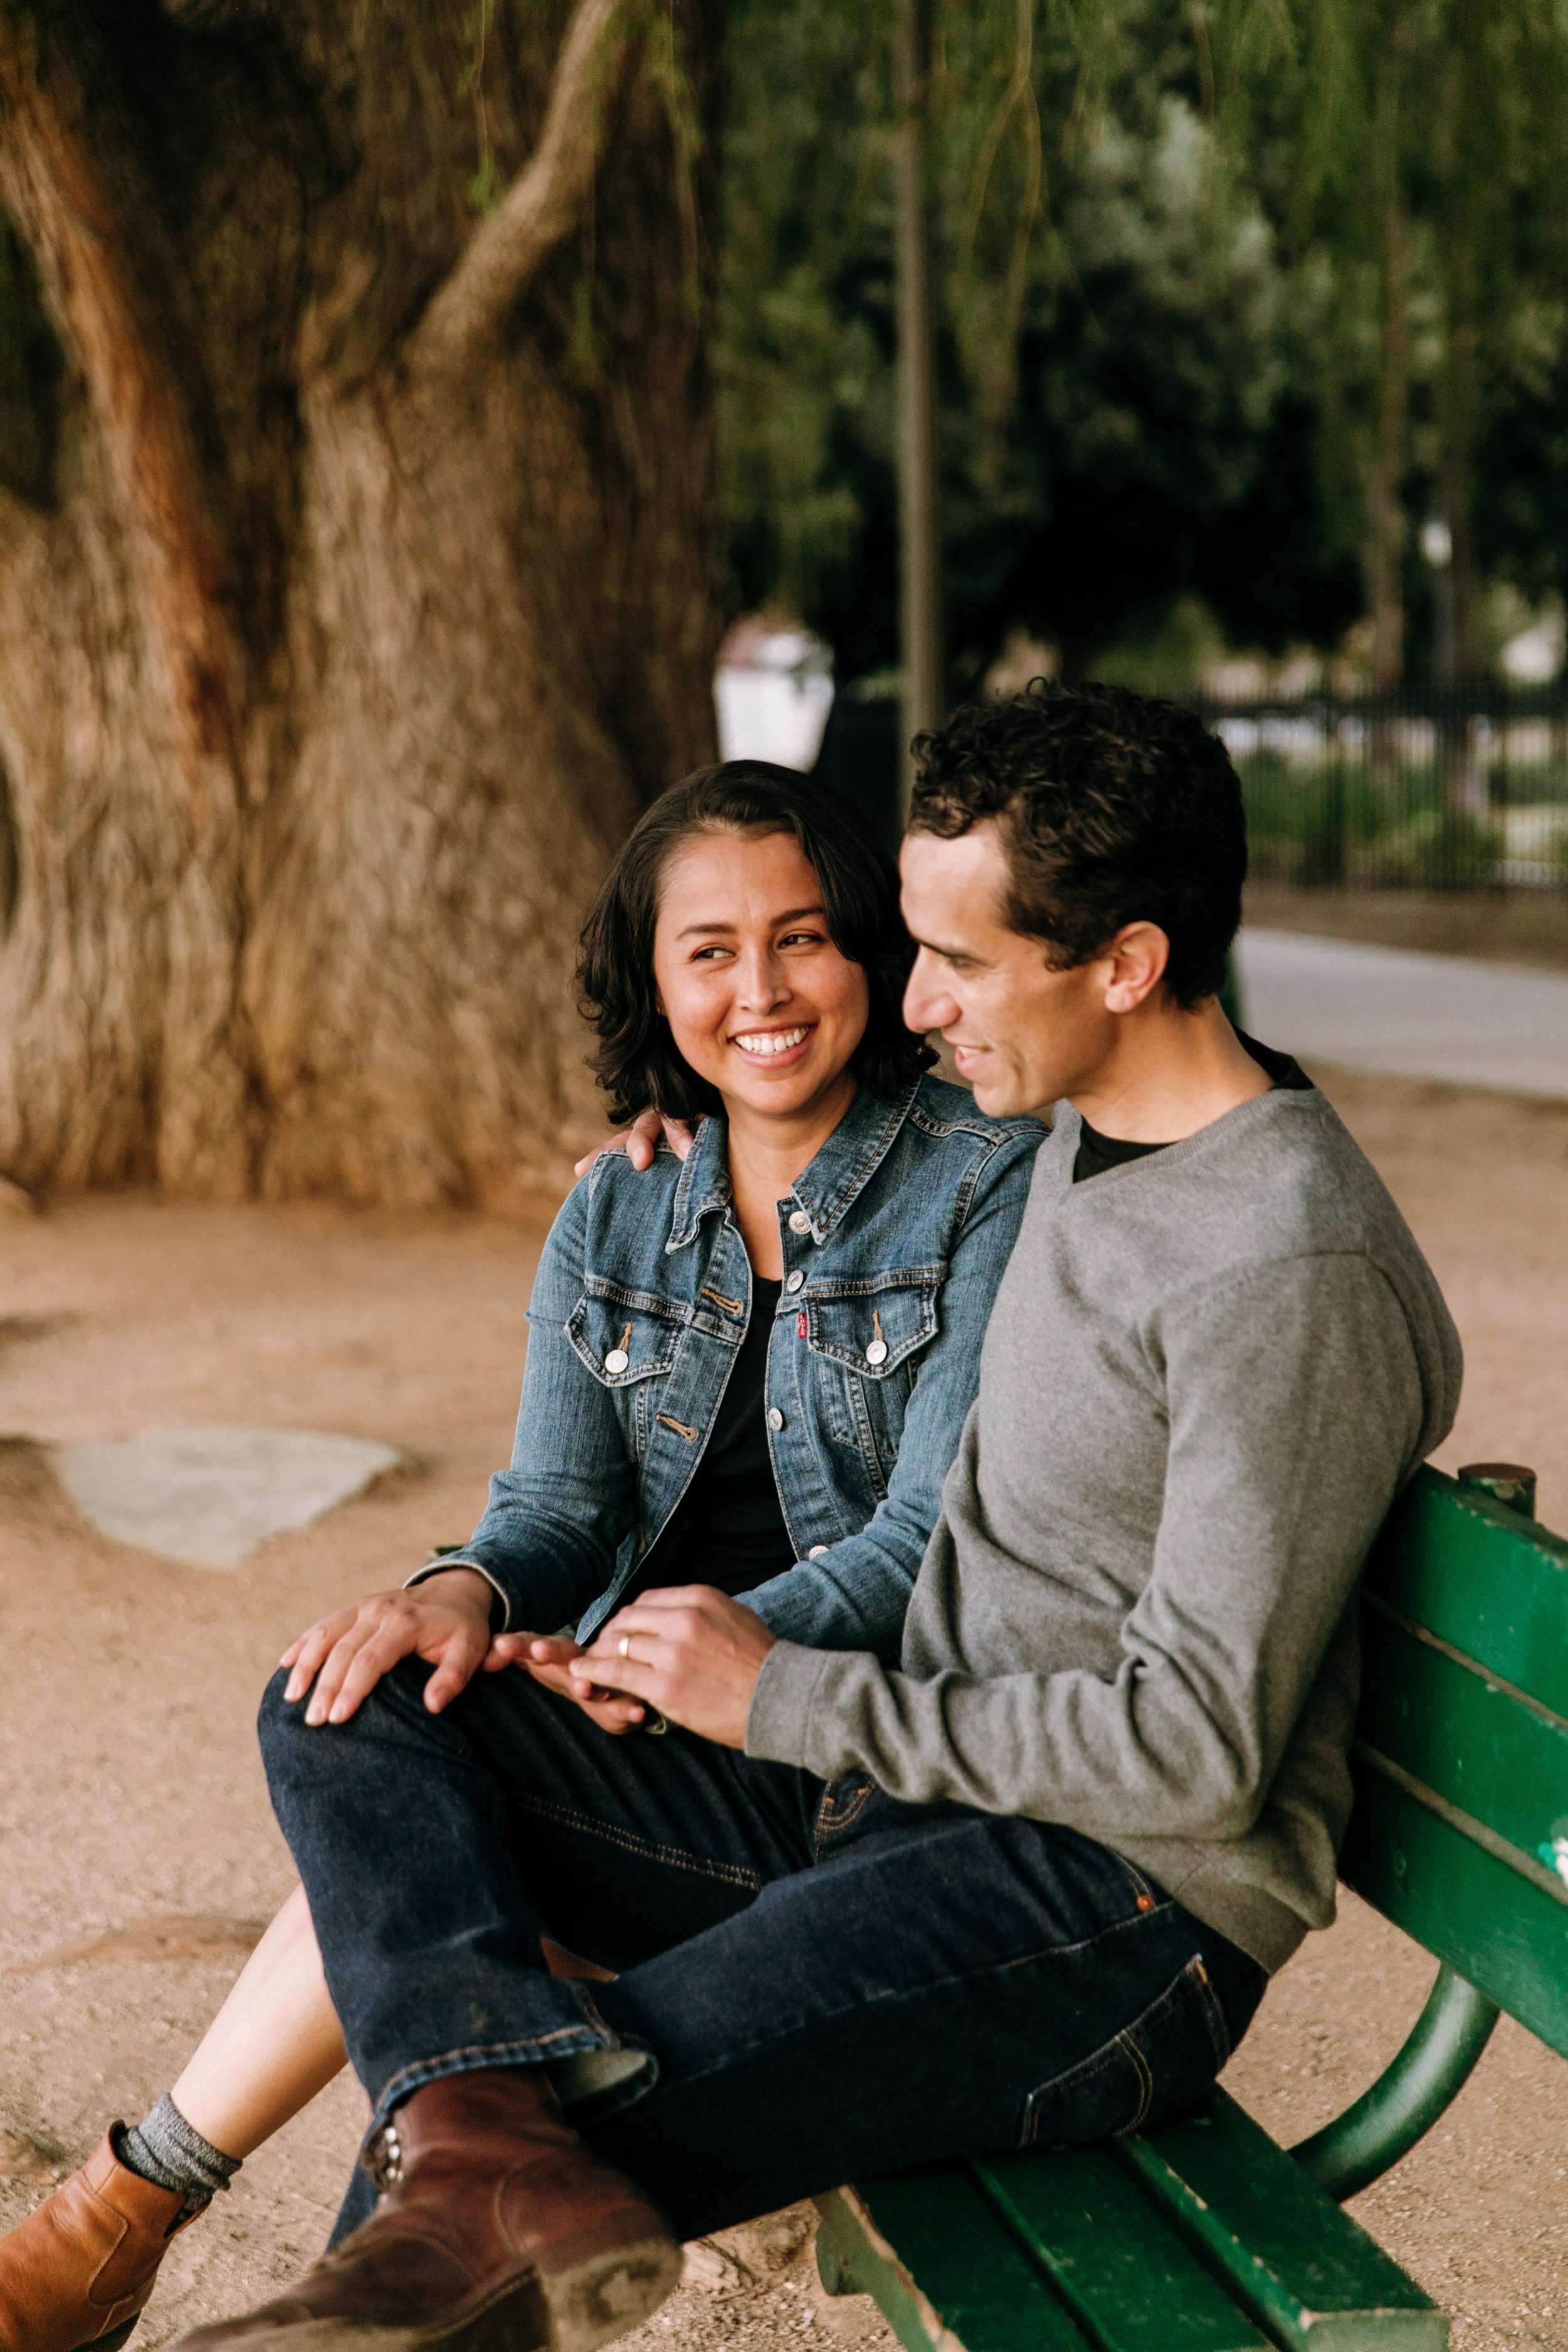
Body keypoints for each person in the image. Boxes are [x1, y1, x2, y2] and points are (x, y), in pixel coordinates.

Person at [156, 679, 1460, 2352]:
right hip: (908, 1799)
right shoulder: (1089, 1132)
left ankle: (462, 2151)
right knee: (360, 1706)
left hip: (1113, 1914)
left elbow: (1196, 1752)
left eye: (957, 962)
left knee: (545, 2140)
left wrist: (776, 1690)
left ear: (1124, 964)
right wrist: (689, 1143)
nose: (914, 1002)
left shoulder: (1283, 1266)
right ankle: (466, 2119)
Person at [0, 766, 1041, 2352]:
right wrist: (456, 1600)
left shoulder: (985, 1177)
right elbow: (551, 1511)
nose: (758, 991)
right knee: (346, 1690)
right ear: (651, 977)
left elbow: (926, 1544)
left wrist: (664, 1661)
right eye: (707, 951)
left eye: (802, 938)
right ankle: (391, 2170)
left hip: (832, 1762)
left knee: (422, 1822)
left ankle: (137, 2204)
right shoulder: (617, 1211)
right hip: (645, 1735)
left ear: (871, 959)